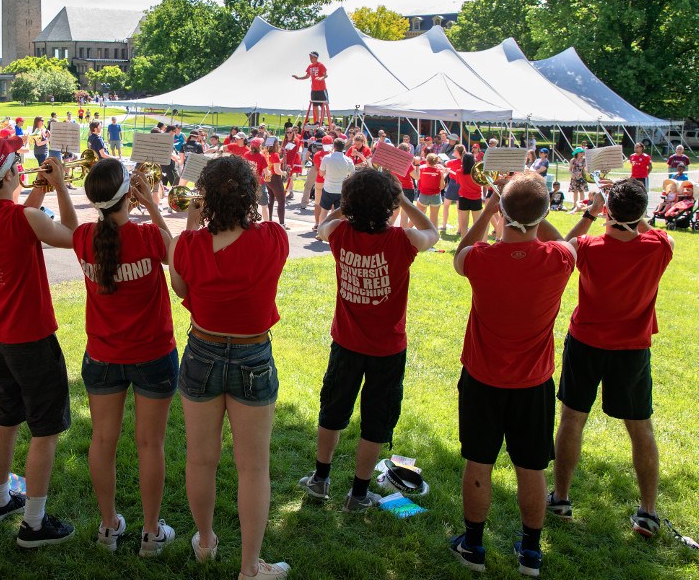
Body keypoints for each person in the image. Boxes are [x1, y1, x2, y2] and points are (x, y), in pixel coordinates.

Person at [169, 155, 291, 580]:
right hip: (252, 354)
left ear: (206, 197)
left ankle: (205, 543)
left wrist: (190, 223)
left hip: (201, 350)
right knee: (253, 466)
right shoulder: (274, 238)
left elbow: (180, 284)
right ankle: (250, 568)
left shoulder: (189, 245)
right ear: (250, 194)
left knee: (201, 460)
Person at [450, 173, 576, 577]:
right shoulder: (560, 259)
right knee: (531, 467)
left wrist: (491, 207)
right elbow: (565, 240)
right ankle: (531, 554)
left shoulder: (481, 258)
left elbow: (460, 252)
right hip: (533, 383)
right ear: (542, 215)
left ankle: (472, 545)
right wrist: (535, 211)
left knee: (478, 462)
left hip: (483, 380)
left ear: (502, 213)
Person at [0, 135, 80, 547]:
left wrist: (40, 186)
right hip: (31, 339)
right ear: (11, 173)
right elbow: (71, 235)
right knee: (45, 430)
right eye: (18, 165)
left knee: (6, 418)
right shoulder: (22, 219)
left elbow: (14, 218)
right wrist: (60, 185)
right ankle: (34, 523)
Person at [301, 169, 439, 511]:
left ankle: (320, 479)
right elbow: (433, 232)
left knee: (332, 411)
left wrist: (342, 206)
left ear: (349, 203)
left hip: (346, 343)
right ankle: (359, 494)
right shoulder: (403, 240)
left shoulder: (338, 232)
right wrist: (404, 199)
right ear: (390, 205)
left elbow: (322, 226)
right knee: (376, 421)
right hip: (387, 349)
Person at [549, 178, 674, 537]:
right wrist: (633, 216)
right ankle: (648, 512)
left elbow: (562, 244)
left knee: (572, 418)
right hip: (632, 350)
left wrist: (592, 212)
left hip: (586, 342)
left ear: (608, 212)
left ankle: (560, 499)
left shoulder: (589, 245)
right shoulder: (659, 246)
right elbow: (650, 231)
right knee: (640, 427)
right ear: (643, 213)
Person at [74, 159, 178, 556]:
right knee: (150, 444)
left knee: (103, 440)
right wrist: (152, 205)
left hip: (102, 355)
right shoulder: (150, 236)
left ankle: (108, 527)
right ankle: (151, 533)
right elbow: (177, 257)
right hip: (153, 353)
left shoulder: (84, 237)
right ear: (128, 196)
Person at [316, 138, 354, 228]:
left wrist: (326, 175)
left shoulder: (327, 158)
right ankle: (337, 231)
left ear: (334, 146)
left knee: (324, 211)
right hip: (341, 189)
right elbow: (353, 175)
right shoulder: (348, 160)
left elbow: (321, 173)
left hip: (328, 188)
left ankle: (321, 231)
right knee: (339, 214)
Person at [292, 50, 329, 125]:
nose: (310, 58)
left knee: (322, 105)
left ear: (315, 57)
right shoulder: (310, 66)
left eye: (311, 57)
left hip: (322, 89)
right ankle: (317, 121)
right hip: (314, 89)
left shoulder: (320, 65)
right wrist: (298, 78)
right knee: (314, 105)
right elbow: (307, 76)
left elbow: (326, 75)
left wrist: (321, 78)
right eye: (310, 57)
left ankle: (322, 120)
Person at [455, 153, 484, 234]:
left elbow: (458, 182)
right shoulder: (477, 173)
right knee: (477, 224)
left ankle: (463, 243)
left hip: (463, 198)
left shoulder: (458, 172)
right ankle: (476, 243)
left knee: (464, 224)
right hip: (476, 198)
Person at [416, 153, 446, 226]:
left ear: (427, 161)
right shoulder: (439, 171)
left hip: (423, 194)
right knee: (434, 218)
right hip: (435, 196)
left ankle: (407, 230)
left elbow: (418, 170)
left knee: (416, 216)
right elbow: (442, 187)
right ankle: (435, 236)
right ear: (436, 162)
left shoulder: (422, 169)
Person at [264, 139, 287, 228]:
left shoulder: (266, 153)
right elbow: (277, 170)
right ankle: (282, 223)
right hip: (275, 178)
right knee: (281, 201)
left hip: (267, 177)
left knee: (271, 200)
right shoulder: (275, 154)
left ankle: (269, 220)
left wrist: (280, 161)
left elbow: (272, 163)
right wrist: (284, 173)